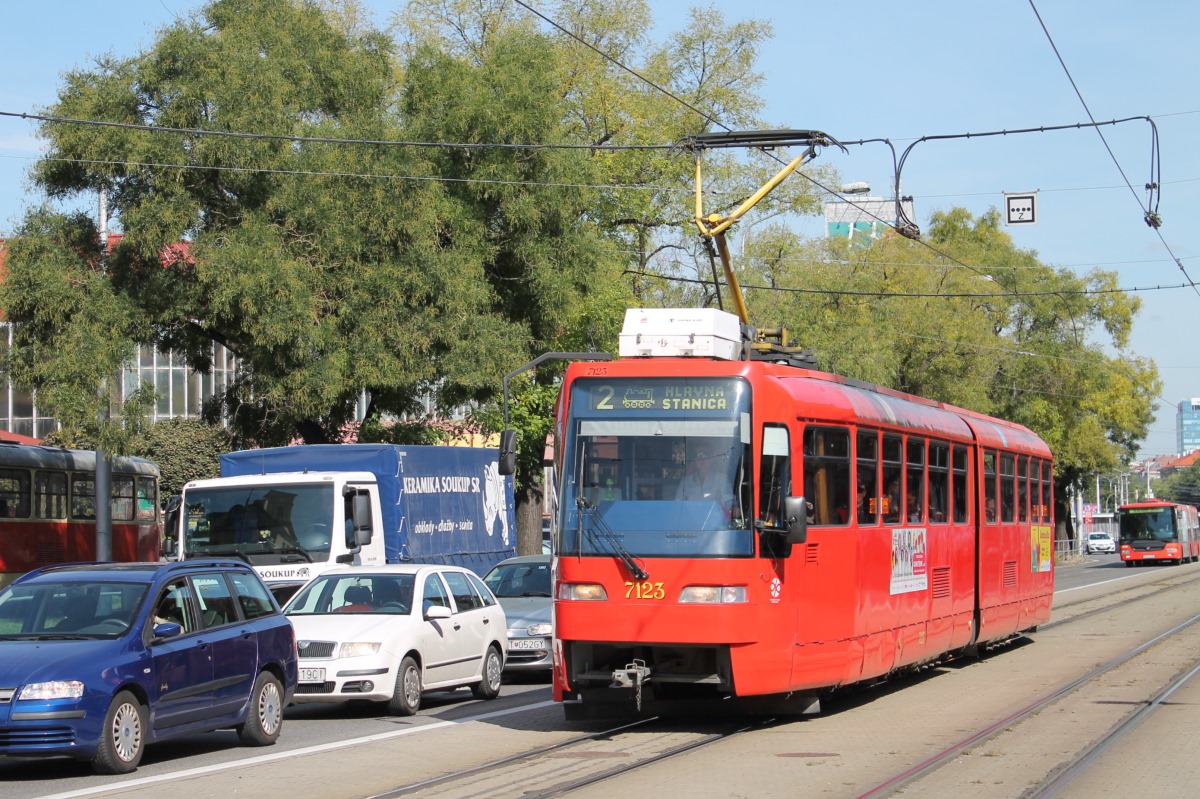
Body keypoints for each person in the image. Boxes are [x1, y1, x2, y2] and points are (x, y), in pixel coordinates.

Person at [676, 441, 732, 506]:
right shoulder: (685, 481)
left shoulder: (721, 479)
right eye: (697, 455)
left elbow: (728, 499)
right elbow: (677, 504)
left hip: (714, 516)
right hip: (689, 516)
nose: (701, 459)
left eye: (705, 454)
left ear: (712, 458)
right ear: (694, 460)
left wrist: (733, 507)